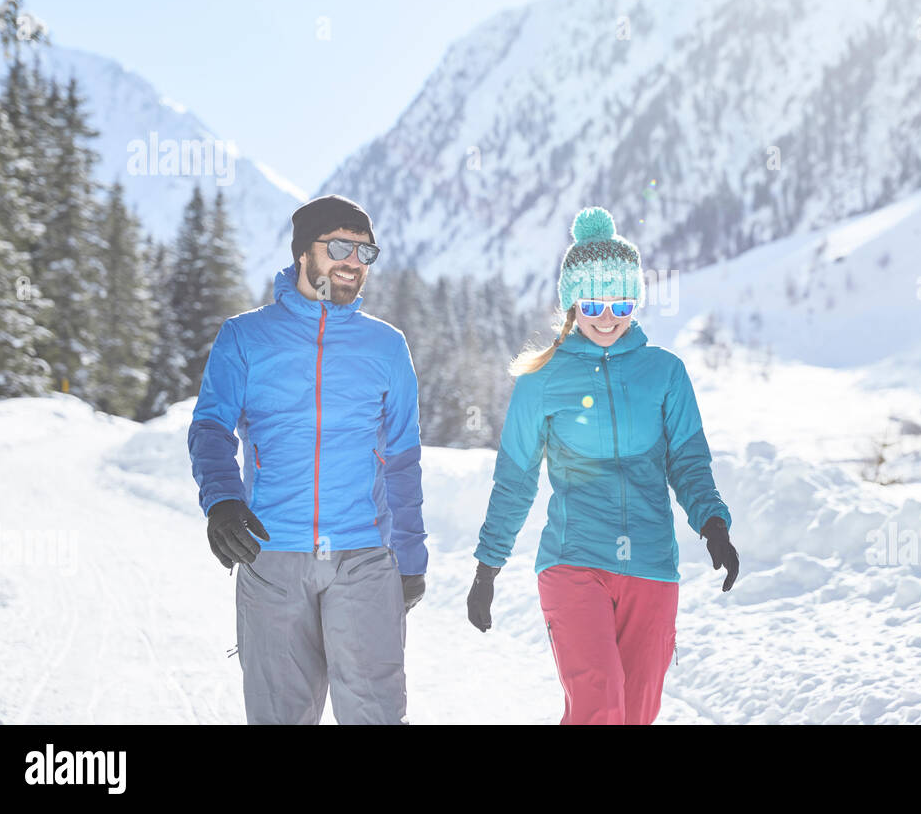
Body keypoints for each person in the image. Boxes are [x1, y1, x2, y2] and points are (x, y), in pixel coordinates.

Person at [467, 205, 739, 724]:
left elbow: (687, 459)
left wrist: (712, 523)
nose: (608, 316)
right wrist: (488, 567)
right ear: (572, 303)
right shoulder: (541, 380)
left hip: (652, 565)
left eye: (621, 301)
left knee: (635, 713)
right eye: (592, 303)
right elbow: (516, 479)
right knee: (601, 704)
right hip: (574, 560)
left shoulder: (665, 372)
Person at [187, 194, 427, 725]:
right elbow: (209, 426)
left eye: (366, 252)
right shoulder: (245, 337)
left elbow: (404, 459)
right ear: (303, 253)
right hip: (272, 556)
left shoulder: (387, 347)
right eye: (340, 245)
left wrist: (410, 556)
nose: (353, 262)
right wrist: (223, 499)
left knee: (378, 716)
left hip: (364, 557)